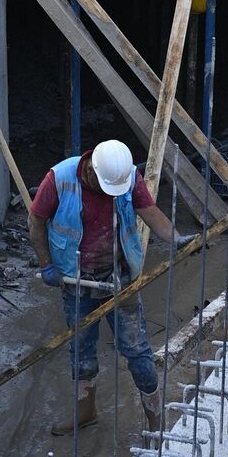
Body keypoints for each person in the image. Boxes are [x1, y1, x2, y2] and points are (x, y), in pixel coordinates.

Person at [29, 139, 186, 435]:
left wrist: (176, 238)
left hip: (119, 279)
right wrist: (46, 264)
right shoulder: (59, 178)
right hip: (77, 281)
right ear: (90, 170)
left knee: (137, 351)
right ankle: (86, 413)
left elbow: (150, 212)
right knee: (81, 351)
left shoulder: (126, 175)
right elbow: (36, 220)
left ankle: (156, 421)